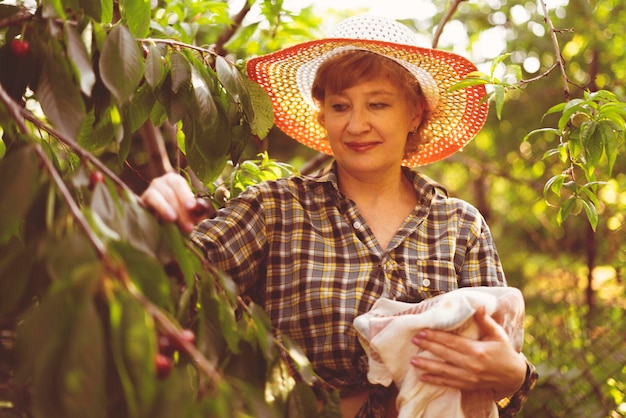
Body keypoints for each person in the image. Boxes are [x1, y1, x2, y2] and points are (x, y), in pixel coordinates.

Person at [141, 14, 537, 418]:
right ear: (324, 113)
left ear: (415, 113)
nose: (356, 124)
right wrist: (155, 221)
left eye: (377, 104)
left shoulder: (459, 226)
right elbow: (171, 280)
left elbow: (495, 375)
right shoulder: (276, 209)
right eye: (340, 106)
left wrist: (513, 376)